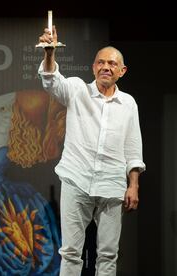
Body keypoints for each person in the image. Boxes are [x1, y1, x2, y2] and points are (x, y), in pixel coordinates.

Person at [37, 27, 146, 275]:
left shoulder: (128, 103)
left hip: (111, 184)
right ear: (93, 67)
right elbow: (52, 81)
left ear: (122, 71)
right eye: (100, 62)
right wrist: (49, 54)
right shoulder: (77, 90)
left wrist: (134, 185)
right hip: (77, 179)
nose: (105, 67)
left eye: (111, 63)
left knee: (108, 254)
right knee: (71, 252)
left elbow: (133, 146)